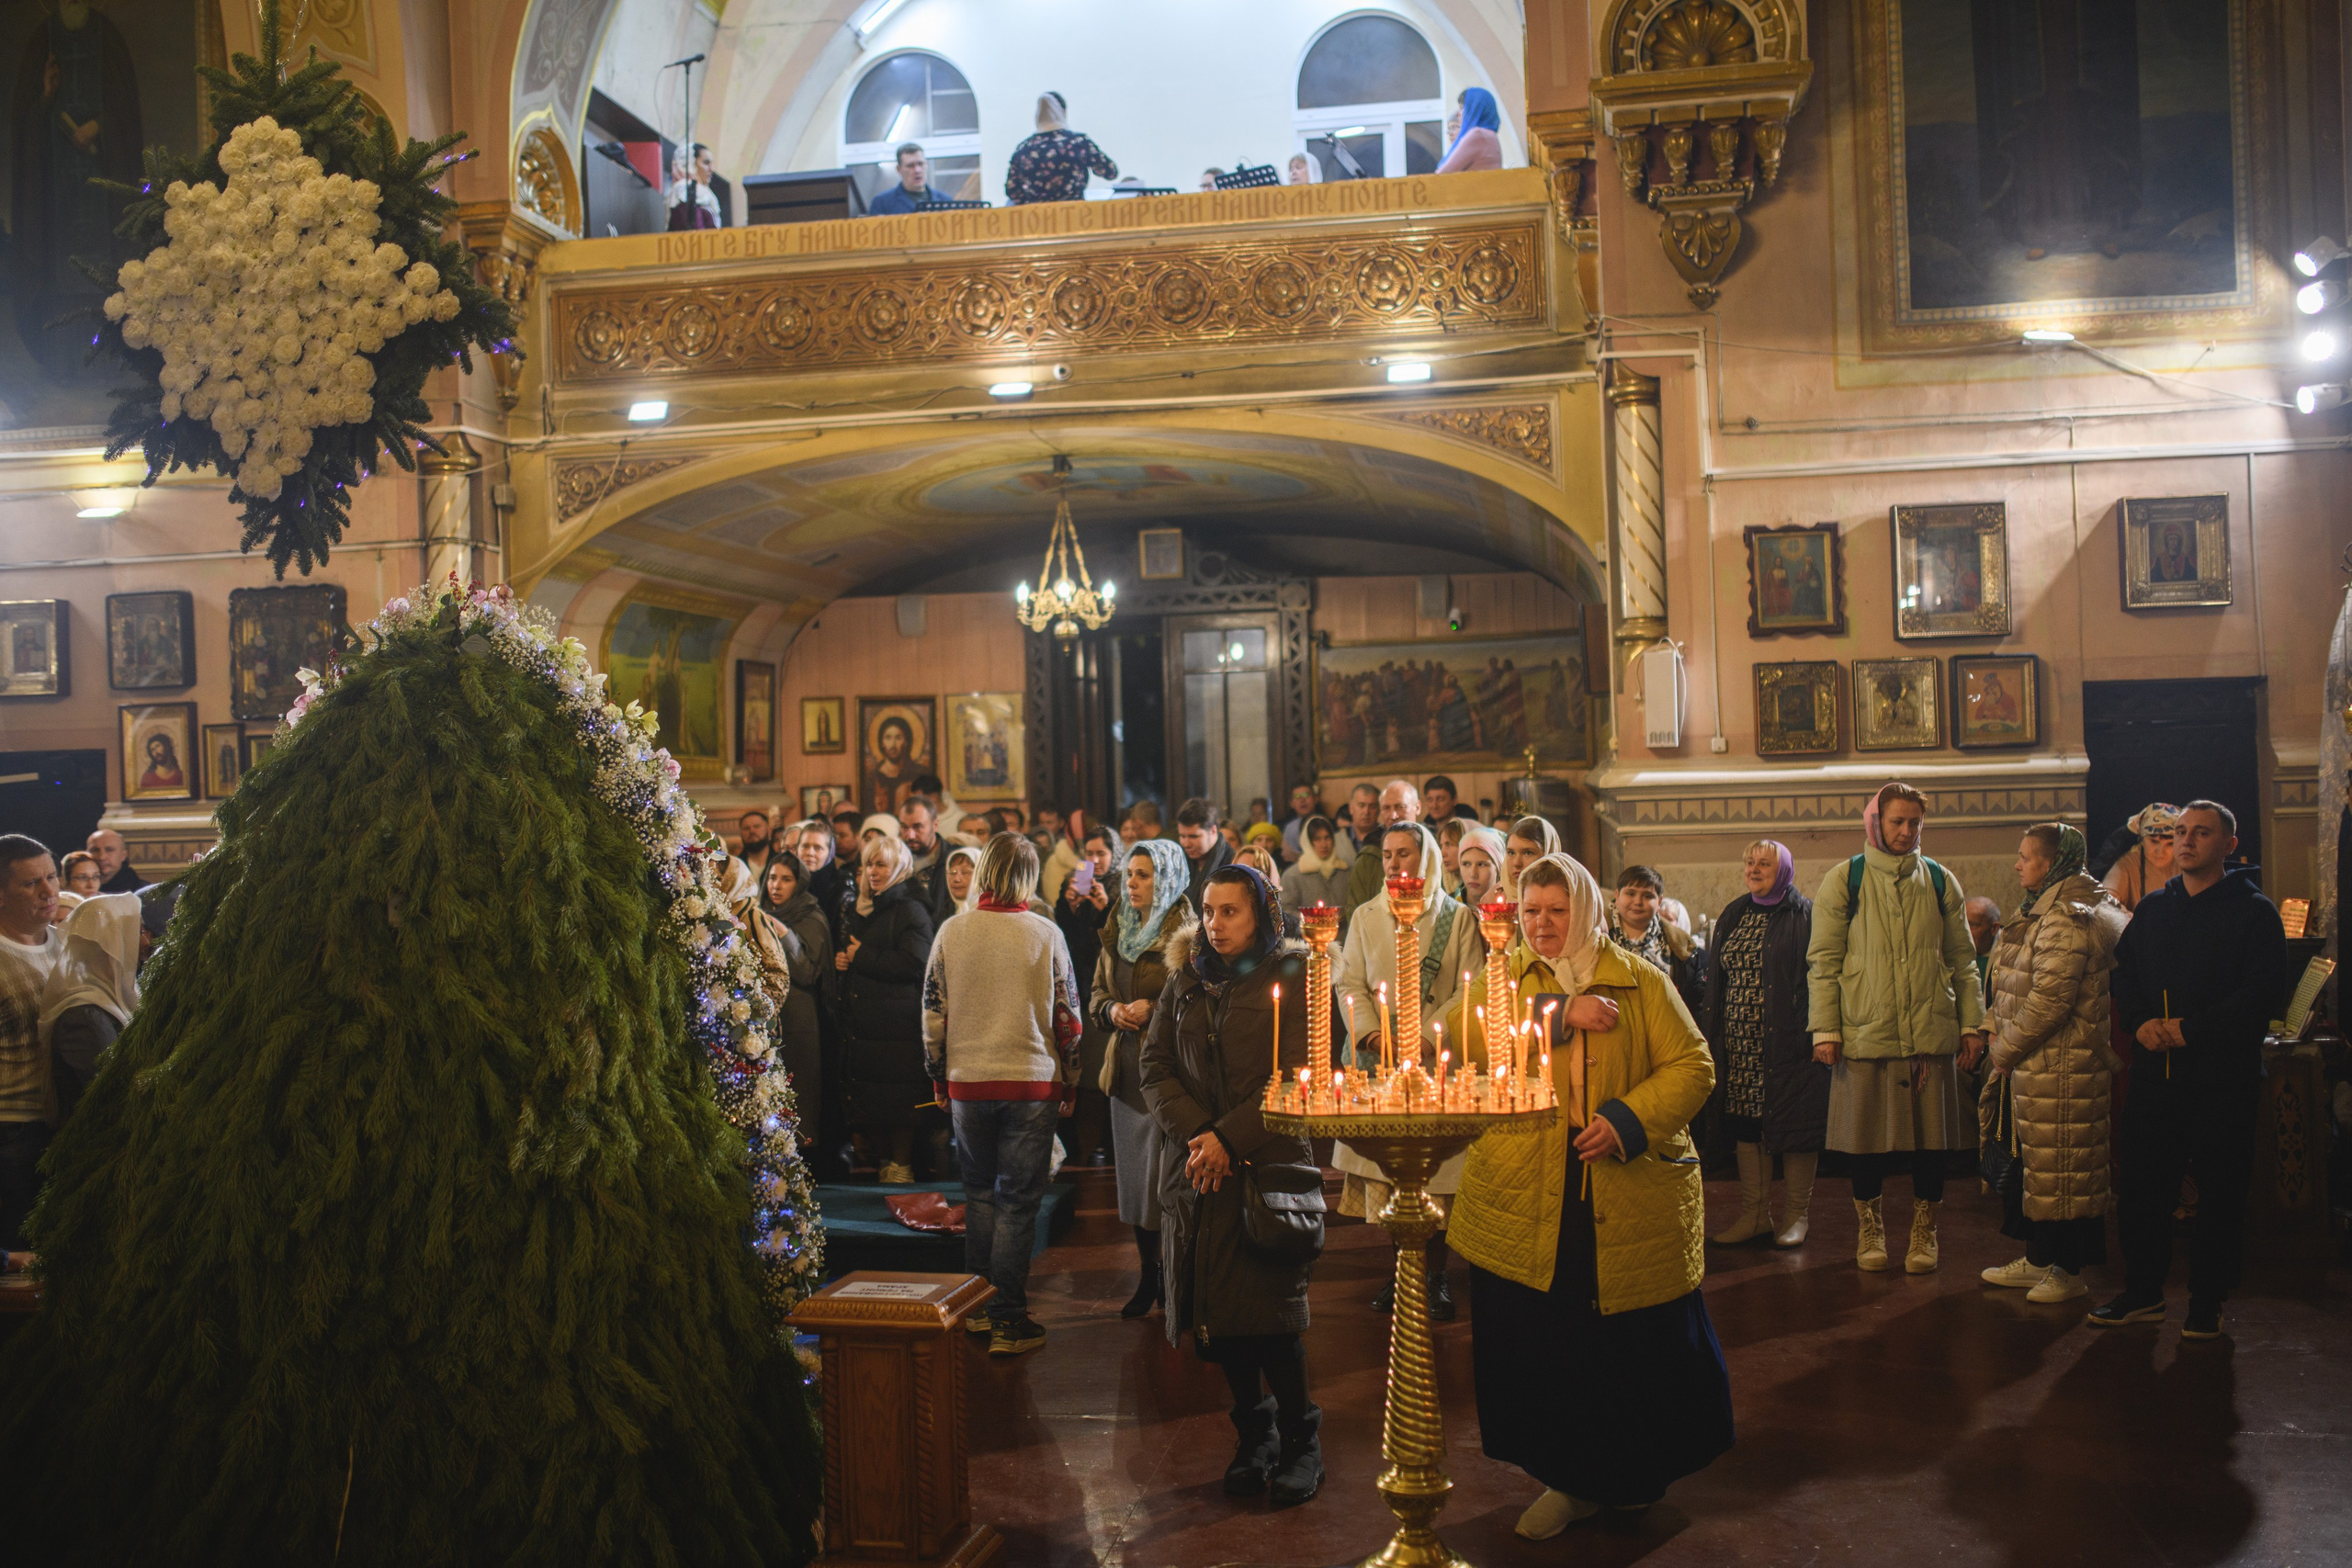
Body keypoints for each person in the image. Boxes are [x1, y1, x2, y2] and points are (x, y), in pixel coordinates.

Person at [1451, 853, 1730, 1536]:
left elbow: (1694, 1065)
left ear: (1585, 908)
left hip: (1623, 1180)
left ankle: (1628, 1474)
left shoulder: (1639, 979)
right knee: (1547, 1343)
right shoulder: (1502, 976)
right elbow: (1465, 1041)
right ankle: (1568, 1480)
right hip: (1530, 1183)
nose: (1542, 925)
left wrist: (1627, 1121)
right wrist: (1555, 1011)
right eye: (1530, 910)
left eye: (1557, 910)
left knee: (1627, 1343)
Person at [1140, 863, 1321, 1506]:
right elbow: (1154, 1064)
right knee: (1220, 1319)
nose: (1214, 924)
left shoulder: (1297, 977)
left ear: (1263, 914)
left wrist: (1229, 1138)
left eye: (1229, 912)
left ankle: (1303, 1441)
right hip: (1199, 1171)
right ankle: (1255, 1433)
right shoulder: (1187, 977)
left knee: (1272, 1318)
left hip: (1268, 1166)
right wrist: (1200, 1135)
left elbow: (1302, 1075)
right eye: (1208, 911)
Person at [2096, 801, 2290, 1339]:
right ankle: (2143, 1293)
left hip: (2221, 1079)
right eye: (2180, 832)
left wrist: (2191, 1029)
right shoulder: (2155, 908)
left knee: (2221, 1190)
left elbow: (2263, 994)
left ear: (2228, 844)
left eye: (2200, 833)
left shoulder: (2254, 912)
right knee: (2143, 1187)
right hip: (2157, 1075)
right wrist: (2137, 1023)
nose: (2185, 842)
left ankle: (2207, 1300)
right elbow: (2125, 973)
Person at [1807, 783, 1987, 1274]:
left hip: (1929, 1030)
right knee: (1865, 1142)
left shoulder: (1940, 879)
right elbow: (1823, 961)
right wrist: (1825, 1029)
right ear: (1876, 823)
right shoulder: (1846, 878)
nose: (1906, 832)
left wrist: (1973, 1024)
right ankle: (1871, 1228)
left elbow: (1963, 961)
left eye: (1914, 823)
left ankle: (1925, 1231)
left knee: (1932, 1143)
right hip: (1867, 1030)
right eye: (1896, 822)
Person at [923, 833, 1081, 1356]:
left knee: (980, 1196)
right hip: (1032, 1081)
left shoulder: (952, 930)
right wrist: (1072, 1077)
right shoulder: (1045, 933)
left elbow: (932, 1016)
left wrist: (938, 1077)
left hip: (969, 1081)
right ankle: (1009, 1320)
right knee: (1017, 1203)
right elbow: (1069, 1018)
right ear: (1030, 878)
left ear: (985, 870)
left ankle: (976, 1311)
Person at [1335, 820, 1482, 1317]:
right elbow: (1349, 982)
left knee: (1435, 1171)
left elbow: (1470, 987)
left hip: (1435, 1058)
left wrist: (1426, 1035)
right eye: (1388, 855)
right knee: (1387, 1171)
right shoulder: (1365, 916)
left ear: (1428, 861)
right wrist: (1374, 1034)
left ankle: (1436, 1275)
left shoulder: (1456, 918)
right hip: (1380, 1060)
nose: (1396, 865)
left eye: (1405, 854)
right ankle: (1399, 1271)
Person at [1976, 824, 2126, 1305]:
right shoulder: (2041, 907)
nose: (2018, 865)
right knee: (2037, 1169)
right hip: (2036, 1062)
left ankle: (2069, 1270)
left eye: (2026, 857)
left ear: (2052, 862)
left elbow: (2050, 1001)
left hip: (2064, 1063)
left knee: (2066, 1168)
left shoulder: (2066, 916)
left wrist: (2003, 1049)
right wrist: (1991, 1025)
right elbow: (2012, 982)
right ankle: (2040, 1259)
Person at [1700, 840, 1828, 1247]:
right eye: (1750, 863)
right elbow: (1718, 981)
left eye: (1765, 864)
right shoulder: (1735, 913)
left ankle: (1796, 1216)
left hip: (1789, 1043)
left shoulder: (1804, 914)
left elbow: (1821, 978)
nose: (1754, 870)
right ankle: (1755, 1215)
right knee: (1745, 1123)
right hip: (1737, 1045)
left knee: (1795, 1126)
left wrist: (1820, 1032)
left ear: (1785, 870)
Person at [1094, 837, 1194, 1319]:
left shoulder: (1188, 931)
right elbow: (1095, 992)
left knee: (1168, 1183)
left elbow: (1200, 1000)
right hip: (1127, 1072)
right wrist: (1112, 1009)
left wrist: (1154, 1008)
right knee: (1136, 1184)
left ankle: (1177, 1278)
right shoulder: (1118, 925)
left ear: (1167, 878)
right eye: (1128, 875)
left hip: (1171, 1075)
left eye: (1143, 875)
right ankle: (1148, 1274)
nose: (1131, 884)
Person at [837, 833, 939, 1184]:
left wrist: (860, 956)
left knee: (898, 1105)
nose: (873, 872)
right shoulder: (865, 907)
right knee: (876, 1102)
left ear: (900, 868)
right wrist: (845, 961)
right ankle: (888, 1166)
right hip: (870, 1027)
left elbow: (916, 962)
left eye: (882, 864)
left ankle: (901, 1167)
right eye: (868, 864)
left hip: (897, 1026)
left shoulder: (909, 908)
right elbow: (858, 951)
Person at [0, 836, 63, 1258]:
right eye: (30, 884)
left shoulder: (68, 944)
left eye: (52, 876)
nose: (48, 892)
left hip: (62, 1124)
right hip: (13, 1133)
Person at [38, 887, 142, 1132]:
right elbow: (110, 1092)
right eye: (135, 933)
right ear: (111, 943)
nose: (144, 941)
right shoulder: (84, 1015)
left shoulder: (111, 997)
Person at [1056, 822, 1119, 1166]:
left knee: (1104, 1072)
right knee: (1081, 1075)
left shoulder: (1123, 886)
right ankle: (1082, 1148)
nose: (1094, 861)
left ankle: (1108, 1148)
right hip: (1077, 987)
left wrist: (1105, 907)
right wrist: (1070, 907)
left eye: (1101, 854)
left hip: (1108, 989)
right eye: (1090, 854)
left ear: (1114, 854)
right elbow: (1064, 941)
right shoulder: (1074, 882)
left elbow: (1118, 939)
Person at [754, 852, 832, 1119]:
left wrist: (786, 935)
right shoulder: (758, 912)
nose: (776, 886)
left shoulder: (811, 916)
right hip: (767, 1015)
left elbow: (808, 973)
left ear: (798, 884)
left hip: (800, 1017)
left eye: (786, 879)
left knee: (799, 1092)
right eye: (772, 878)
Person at [1611, 865, 1709, 1021]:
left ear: (1659, 902)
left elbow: (1696, 1001)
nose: (1638, 902)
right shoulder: (1601, 937)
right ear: (1617, 896)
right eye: (1630, 893)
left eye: (1647, 896)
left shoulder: (1680, 944)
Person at [1007, 92, 1118, 205]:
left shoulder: (1023, 149)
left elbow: (1013, 191)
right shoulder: (1078, 142)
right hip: (1075, 215)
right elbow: (1110, 172)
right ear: (1063, 112)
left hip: (1037, 218)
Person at [1341, 780, 1421, 924]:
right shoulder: (1369, 857)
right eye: (1386, 808)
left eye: (1400, 807)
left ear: (1417, 807)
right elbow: (1357, 914)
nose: (1393, 815)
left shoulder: (1436, 848)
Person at [2102, 803, 2182, 912]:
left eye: (2169, 844)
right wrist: (2129, 918)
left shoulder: (2187, 862)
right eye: (2154, 841)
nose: (2160, 851)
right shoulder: (2128, 864)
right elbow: (2104, 900)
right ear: (2142, 841)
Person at [1279, 815, 1350, 915]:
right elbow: (1286, 910)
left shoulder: (1345, 871)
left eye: (1327, 838)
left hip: (1342, 930)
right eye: (1317, 839)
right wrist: (1312, 922)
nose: (1324, 844)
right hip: (1307, 930)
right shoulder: (1293, 876)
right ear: (1307, 842)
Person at [1176, 797, 1234, 912]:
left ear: (1213, 831)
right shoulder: (1178, 862)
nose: (1186, 844)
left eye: (1193, 836)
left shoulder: (1233, 862)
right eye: (1182, 836)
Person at [869, 141, 955, 215]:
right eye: (910, 166)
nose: (917, 170)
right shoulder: (882, 204)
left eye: (920, 164)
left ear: (926, 165)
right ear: (899, 169)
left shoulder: (946, 201)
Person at [1435, 86, 1504, 175]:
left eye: (1462, 108)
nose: (1457, 114)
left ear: (1474, 109)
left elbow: (1442, 174)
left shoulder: (1478, 135)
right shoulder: (1491, 136)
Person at [1501, 814, 1562, 899]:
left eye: (1528, 853)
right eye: (1511, 853)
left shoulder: (1563, 901)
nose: (1516, 863)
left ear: (1548, 853)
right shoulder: (1494, 902)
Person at [666, 142, 723, 231]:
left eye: (711, 163)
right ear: (691, 164)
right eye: (706, 163)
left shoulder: (704, 193)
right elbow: (695, 232)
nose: (712, 169)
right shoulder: (684, 189)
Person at [1456, 824, 1507, 912]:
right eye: (1466, 864)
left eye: (1482, 865)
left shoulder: (1509, 911)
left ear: (1499, 869)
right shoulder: (1450, 910)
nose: (1473, 874)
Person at [1965, 895, 2002, 1004]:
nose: (1965, 931)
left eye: (1973, 925)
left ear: (1994, 929)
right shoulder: (1954, 952)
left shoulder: (2008, 958)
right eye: (1963, 923)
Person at [86, 829, 140, 894]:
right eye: (95, 850)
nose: (101, 857)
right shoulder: (76, 891)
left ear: (123, 855)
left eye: (109, 850)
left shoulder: (140, 891)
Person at [1278, 784, 1323, 861]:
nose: (1302, 800)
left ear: (1316, 799)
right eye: (1297, 797)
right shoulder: (1288, 828)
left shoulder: (1325, 823)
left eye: (1305, 795)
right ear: (1292, 804)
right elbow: (1287, 855)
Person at [734, 807, 778, 882]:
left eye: (756, 826)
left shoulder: (781, 861)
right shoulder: (735, 866)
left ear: (769, 831)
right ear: (741, 834)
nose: (752, 831)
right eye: (746, 828)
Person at [1340, 784, 1379, 859]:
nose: (1366, 812)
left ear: (1379, 810)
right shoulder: (1336, 841)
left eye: (1372, 806)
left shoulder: (1387, 840)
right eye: (1361, 805)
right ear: (1351, 808)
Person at [944, 843, 982, 915]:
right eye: (952, 872)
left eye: (965, 872)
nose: (956, 879)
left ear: (980, 875)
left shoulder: (989, 913)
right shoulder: (946, 911)